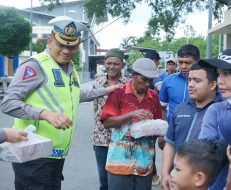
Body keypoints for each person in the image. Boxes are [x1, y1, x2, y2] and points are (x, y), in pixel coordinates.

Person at [1, 16, 119, 190]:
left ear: (78, 46)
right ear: (49, 41)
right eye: (61, 44)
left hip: (54, 156)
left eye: (71, 46)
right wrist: (45, 114)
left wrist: (105, 90)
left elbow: (76, 95)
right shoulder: (35, 66)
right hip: (32, 155)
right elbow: (8, 103)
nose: (66, 50)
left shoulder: (70, 69)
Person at [100, 58, 162, 190]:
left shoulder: (154, 97)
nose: (147, 84)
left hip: (145, 162)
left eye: (150, 81)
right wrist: (131, 115)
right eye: (143, 79)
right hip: (120, 162)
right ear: (133, 75)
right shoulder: (118, 93)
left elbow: (158, 126)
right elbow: (106, 122)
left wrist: (153, 128)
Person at [197, 41, 231, 189]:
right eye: (218, 74)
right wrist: (230, 145)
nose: (220, 81)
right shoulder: (216, 110)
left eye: (227, 73)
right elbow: (205, 154)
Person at [161, 63, 221, 190]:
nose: (191, 85)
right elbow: (170, 143)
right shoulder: (180, 108)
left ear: (212, 85)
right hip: (178, 180)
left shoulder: (223, 111)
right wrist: (165, 173)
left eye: (197, 81)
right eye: (189, 80)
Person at [92, 48, 130, 190]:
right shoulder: (97, 83)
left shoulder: (129, 84)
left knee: (122, 178)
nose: (112, 66)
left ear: (123, 65)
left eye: (116, 63)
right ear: (104, 63)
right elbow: (95, 108)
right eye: (109, 63)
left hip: (123, 138)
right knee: (104, 180)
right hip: (101, 138)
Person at [159, 44, 200, 123]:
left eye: (188, 63)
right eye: (180, 62)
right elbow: (162, 108)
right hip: (172, 132)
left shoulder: (205, 83)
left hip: (197, 132)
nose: (183, 66)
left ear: (197, 62)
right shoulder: (168, 81)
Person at [144, 50, 162, 185]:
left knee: (148, 146)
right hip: (149, 116)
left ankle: (151, 174)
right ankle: (152, 175)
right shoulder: (154, 74)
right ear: (156, 61)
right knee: (150, 147)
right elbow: (159, 85)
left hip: (147, 117)